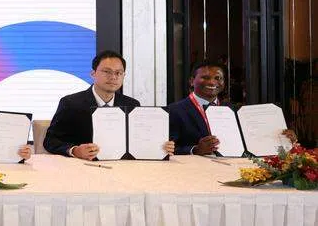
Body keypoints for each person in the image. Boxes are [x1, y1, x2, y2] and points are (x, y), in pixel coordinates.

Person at [43, 50, 175, 159]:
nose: (113, 77)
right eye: (107, 72)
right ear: (93, 73)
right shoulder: (71, 103)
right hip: (84, 168)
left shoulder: (132, 104)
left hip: (125, 168)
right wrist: (75, 150)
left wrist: (159, 146)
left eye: (118, 73)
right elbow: (50, 141)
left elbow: (138, 139)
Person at [169, 60, 298, 155]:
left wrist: (283, 139)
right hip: (194, 175)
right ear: (192, 81)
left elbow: (251, 141)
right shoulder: (174, 111)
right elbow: (165, 149)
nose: (212, 82)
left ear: (224, 83)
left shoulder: (235, 111)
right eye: (205, 77)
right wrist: (195, 150)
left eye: (218, 78)